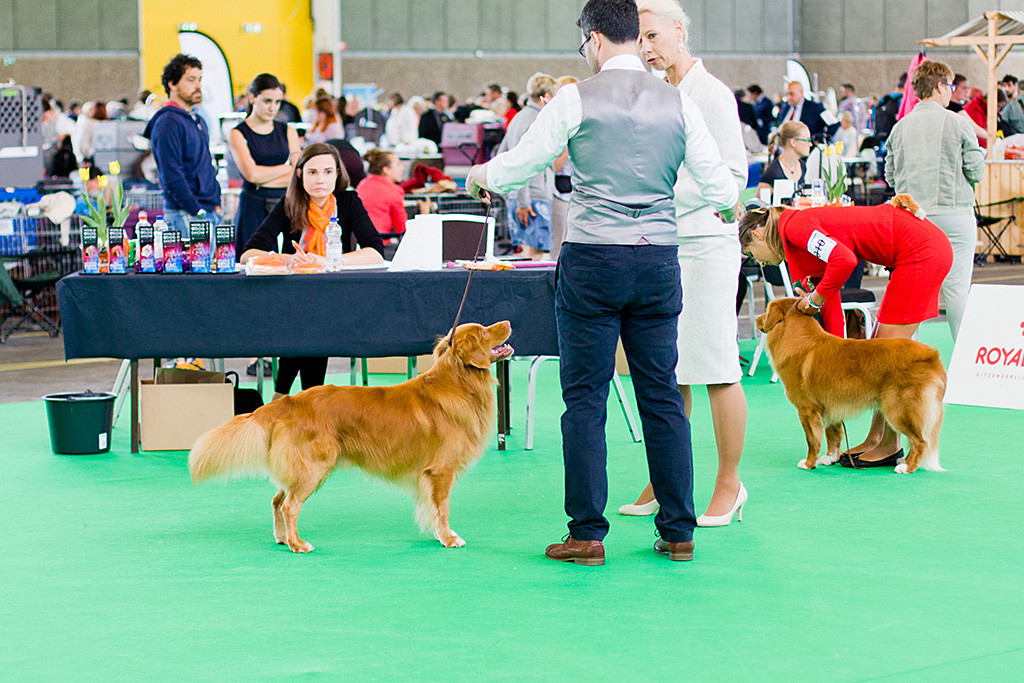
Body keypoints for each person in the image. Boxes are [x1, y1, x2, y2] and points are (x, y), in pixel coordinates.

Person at [465, 0, 740, 565]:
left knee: (585, 400)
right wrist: (717, 210)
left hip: (593, 261)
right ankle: (679, 530)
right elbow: (720, 187)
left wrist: (479, 177)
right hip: (660, 261)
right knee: (661, 395)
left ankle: (588, 533)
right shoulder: (679, 102)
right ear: (634, 39)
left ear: (591, 39)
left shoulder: (575, 97)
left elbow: (521, 164)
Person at [618, 0, 749, 528]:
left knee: (717, 367)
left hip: (708, 246)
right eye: (640, 41)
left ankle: (729, 484)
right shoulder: (659, 94)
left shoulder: (711, 94)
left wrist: (657, 198)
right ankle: (667, 478)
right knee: (670, 372)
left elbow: (732, 176)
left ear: (679, 30)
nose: (646, 49)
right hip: (666, 246)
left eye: (653, 36)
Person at [738, 202, 952, 467]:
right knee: (880, 352)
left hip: (921, 251)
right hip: (911, 250)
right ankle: (877, 439)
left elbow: (844, 261)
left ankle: (889, 445)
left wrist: (815, 299)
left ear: (758, 235)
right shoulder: (795, 234)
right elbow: (832, 304)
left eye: (752, 253)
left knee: (885, 357)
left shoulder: (795, 227)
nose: (759, 261)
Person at [240, 144, 385, 400]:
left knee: (311, 322)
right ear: (300, 175)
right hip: (293, 297)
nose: (321, 180)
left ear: (338, 174)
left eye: (328, 172)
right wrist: (290, 259)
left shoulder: (349, 202)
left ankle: (283, 396)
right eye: (313, 172)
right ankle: (306, 399)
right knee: (303, 320)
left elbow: (375, 252)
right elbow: (249, 253)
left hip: (335, 296)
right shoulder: (289, 204)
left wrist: (327, 260)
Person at [885, 60, 985, 341]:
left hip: (912, 221)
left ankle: (905, 356)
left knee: (913, 292)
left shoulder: (899, 127)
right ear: (940, 86)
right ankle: (964, 356)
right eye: (950, 86)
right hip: (954, 216)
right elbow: (975, 170)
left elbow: (890, 177)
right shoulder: (958, 122)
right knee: (956, 291)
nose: (951, 92)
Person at [143, 53, 222, 234]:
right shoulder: (168, 122)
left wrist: (215, 203)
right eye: (191, 80)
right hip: (186, 215)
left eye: (199, 80)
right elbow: (171, 174)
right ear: (172, 84)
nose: (198, 86)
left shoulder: (197, 120)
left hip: (206, 212)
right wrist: (196, 210)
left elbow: (205, 164)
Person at [228, 73, 301, 255]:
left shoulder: (288, 131)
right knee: (253, 261)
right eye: (267, 101)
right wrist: (287, 168)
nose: (273, 108)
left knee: (293, 262)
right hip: (253, 205)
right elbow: (251, 175)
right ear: (252, 98)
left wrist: (263, 178)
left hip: (287, 203)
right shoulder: (237, 133)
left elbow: (299, 174)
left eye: (277, 102)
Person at [495, 73, 560, 259]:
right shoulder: (536, 121)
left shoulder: (518, 118)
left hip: (520, 196)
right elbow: (523, 163)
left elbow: (502, 155)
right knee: (534, 256)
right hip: (532, 198)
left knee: (526, 255)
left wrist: (510, 194)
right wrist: (523, 202)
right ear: (546, 96)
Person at [355, 148, 430, 235]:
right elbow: (402, 230)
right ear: (386, 170)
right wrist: (424, 214)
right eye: (398, 165)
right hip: (380, 241)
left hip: (357, 241)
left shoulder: (363, 184)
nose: (402, 168)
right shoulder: (393, 190)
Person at [757, 121, 811, 196]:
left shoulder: (802, 166)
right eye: (807, 140)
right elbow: (758, 204)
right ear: (793, 142)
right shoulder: (773, 172)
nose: (810, 144)